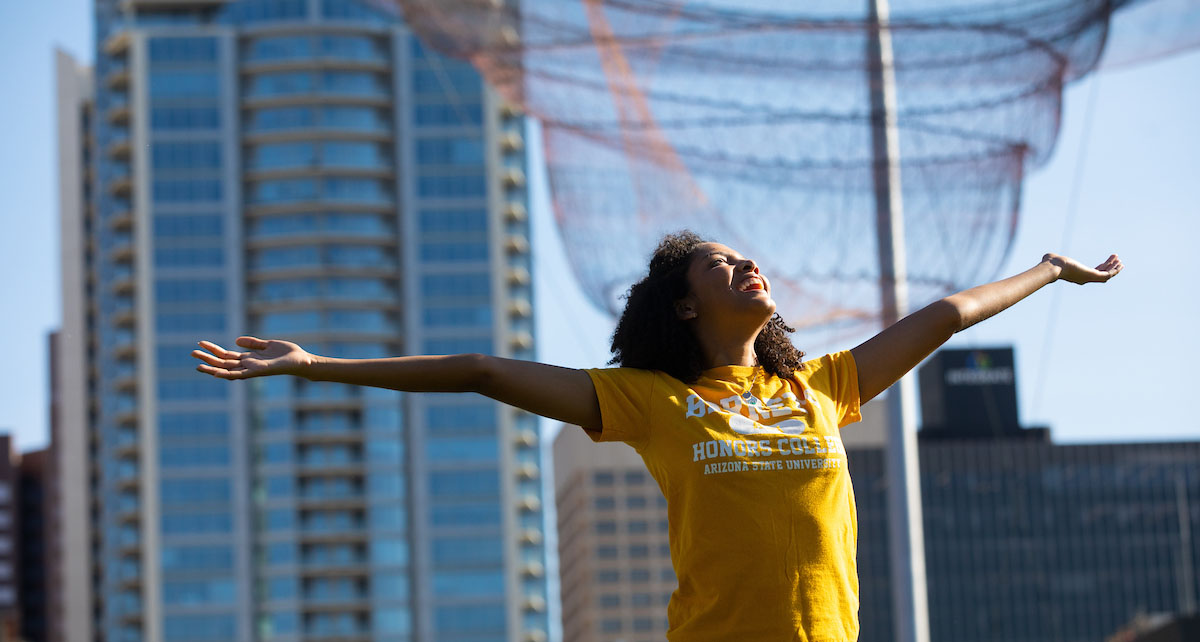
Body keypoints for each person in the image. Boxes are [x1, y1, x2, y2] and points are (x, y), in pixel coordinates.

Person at [193, 230, 1122, 641]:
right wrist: (313, 365)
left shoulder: (822, 387)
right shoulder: (648, 400)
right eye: (723, 262)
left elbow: (950, 314)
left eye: (747, 256)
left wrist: (1047, 268)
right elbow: (480, 369)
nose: (748, 263)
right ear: (685, 303)